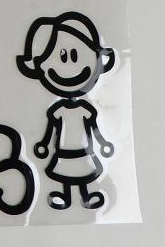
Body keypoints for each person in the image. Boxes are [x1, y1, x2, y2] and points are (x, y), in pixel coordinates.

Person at [18, 11, 115, 210]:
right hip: (64, 152)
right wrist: (44, 144)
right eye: (62, 56)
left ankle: (85, 197)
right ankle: (66, 197)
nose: (69, 63)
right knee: (67, 173)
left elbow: (94, 128)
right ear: (39, 66)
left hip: (82, 151)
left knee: (82, 171)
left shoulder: (84, 109)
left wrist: (103, 143)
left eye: (76, 55)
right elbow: (51, 131)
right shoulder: (59, 110)